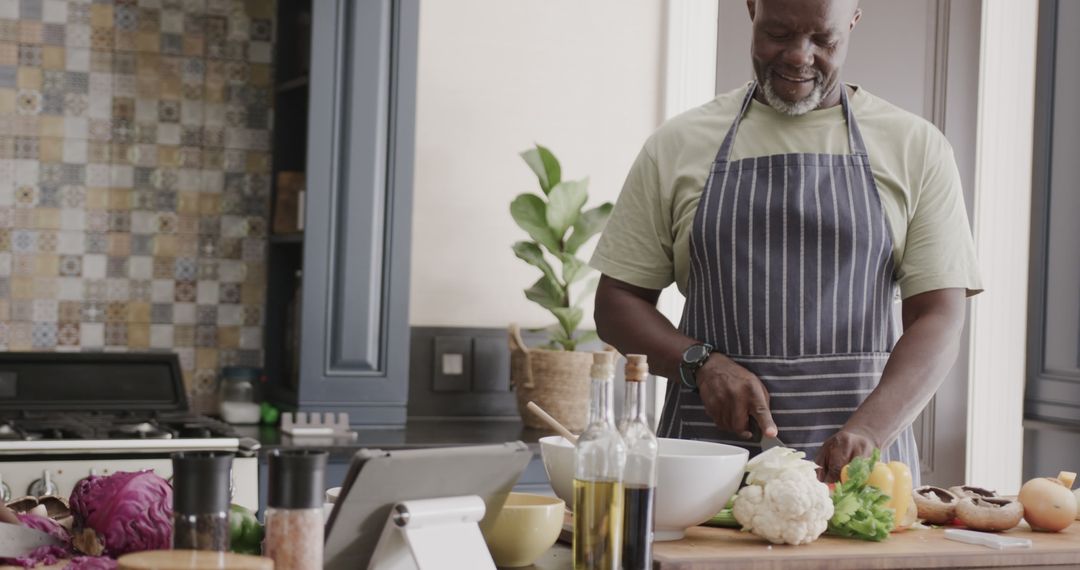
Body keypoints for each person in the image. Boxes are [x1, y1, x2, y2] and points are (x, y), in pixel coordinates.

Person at [590, 0, 981, 484]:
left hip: (861, 468)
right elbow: (616, 302)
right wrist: (701, 364)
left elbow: (939, 315)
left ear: (853, 22)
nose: (799, 56)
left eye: (824, 40)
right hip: (704, 468)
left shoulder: (917, 147)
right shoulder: (678, 144)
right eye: (778, 33)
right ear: (751, 9)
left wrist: (872, 429)